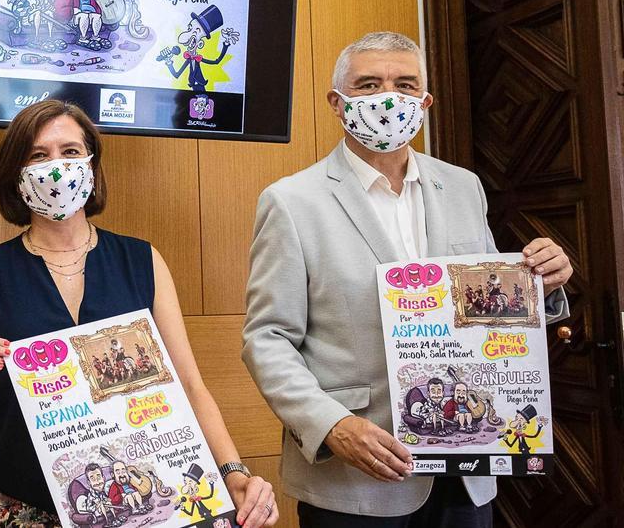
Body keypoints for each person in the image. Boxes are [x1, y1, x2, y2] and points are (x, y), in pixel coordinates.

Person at [242, 31, 572, 527]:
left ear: (424, 102)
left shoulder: (463, 187)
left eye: (404, 85)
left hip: (469, 463)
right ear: (338, 102)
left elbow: (482, 305)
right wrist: (331, 425)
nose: (387, 99)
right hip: (359, 472)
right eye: (368, 85)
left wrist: (539, 285)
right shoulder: (292, 202)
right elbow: (267, 339)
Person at [0, 100, 278, 527]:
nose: (56, 167)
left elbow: (188, 384)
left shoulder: (142, 260)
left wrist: (232, 470)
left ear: (91, 166)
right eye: (39, 155)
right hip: (21, 505)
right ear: (16, 174)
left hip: (134, 501)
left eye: (70, 152)